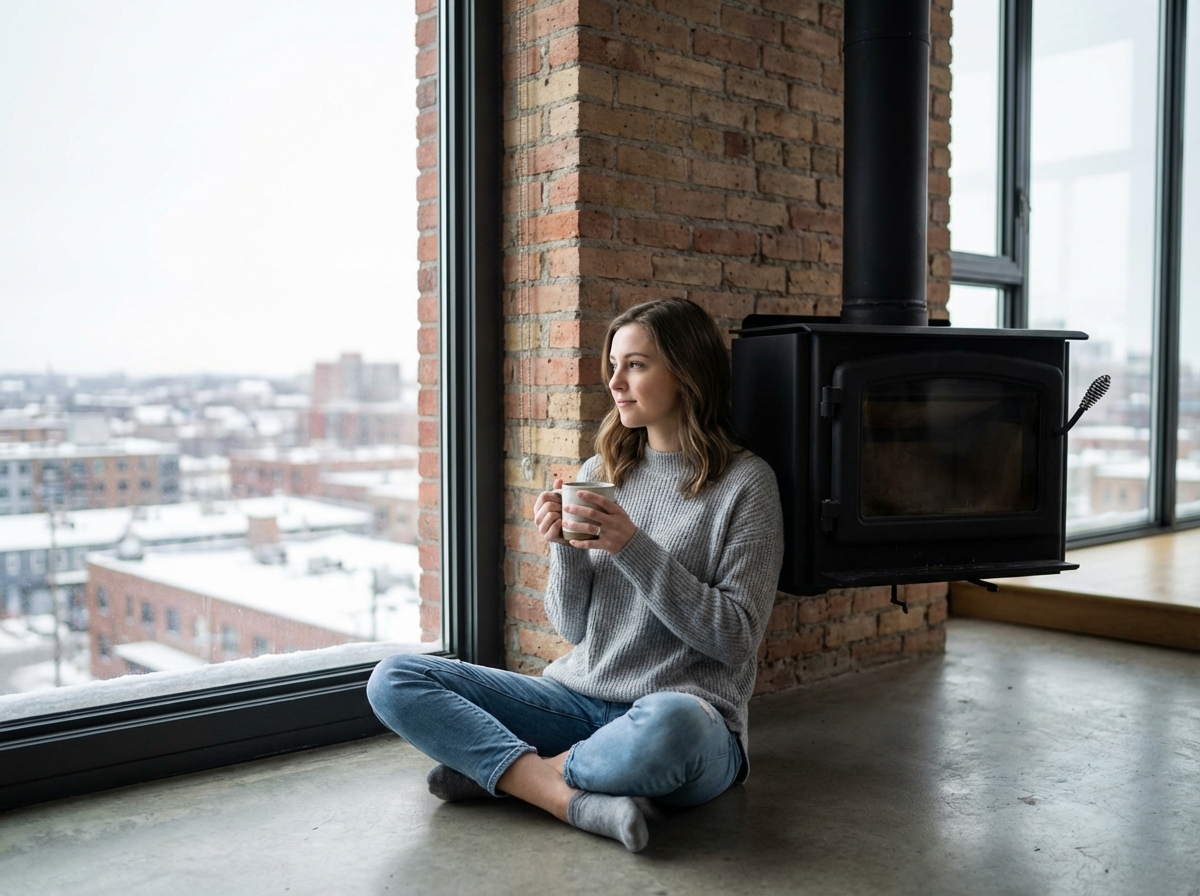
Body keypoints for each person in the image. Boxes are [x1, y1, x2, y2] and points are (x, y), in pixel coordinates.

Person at [367, 298, 784, 852]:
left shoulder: (746, 484)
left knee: (672, 726)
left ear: (686, 372)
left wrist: (631, 545)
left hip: (688, 719)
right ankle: (564, 794)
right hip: (577, 703)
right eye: (613, 365)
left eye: (635, 365)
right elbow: (574, 629)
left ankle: (509, 776)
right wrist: (560, 548)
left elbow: (734, 638)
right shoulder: (601, 472)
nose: (615, 382)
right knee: (394, 679)